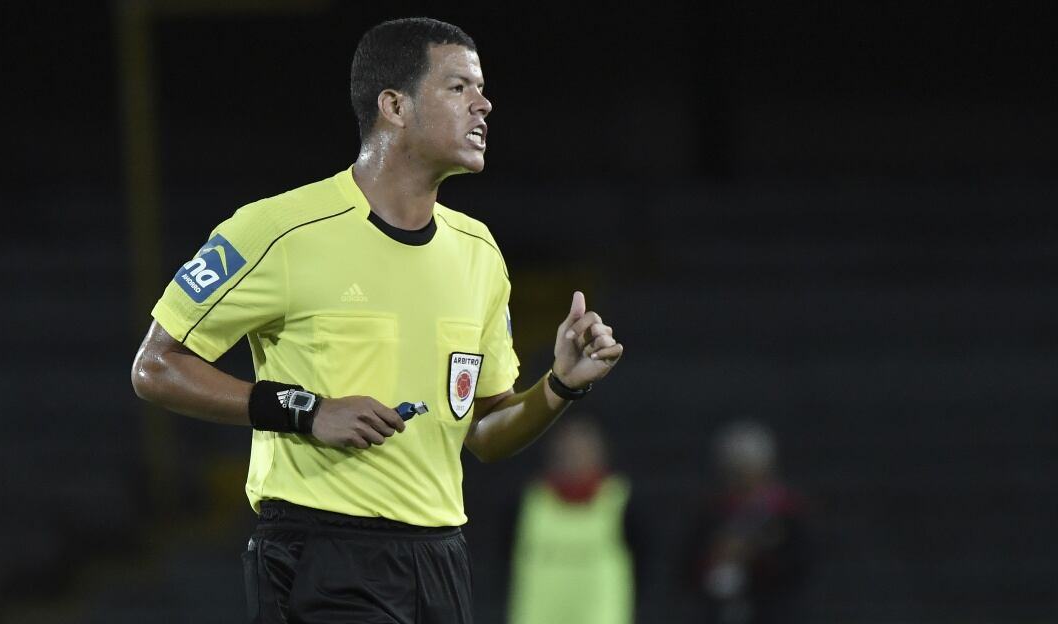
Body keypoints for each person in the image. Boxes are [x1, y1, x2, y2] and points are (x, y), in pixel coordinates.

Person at [130, 17, 623, 624]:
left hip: (441, 559)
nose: (484, 104)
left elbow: (485, 433)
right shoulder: (279, 229)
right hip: (321, 553)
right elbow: (156, 366)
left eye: (482, 88)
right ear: (394, 105)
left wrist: (560, 387)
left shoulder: (480, 253)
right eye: (458, 87)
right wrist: (306, 410)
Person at [506, 415, 642, 624]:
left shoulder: (621, 502)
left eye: (580, 450)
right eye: (567, 451)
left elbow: (643, 563)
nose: (573, 457)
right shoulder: (528, 502)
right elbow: (505, 558)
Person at [680, 420, 813, 624]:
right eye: (735, 470)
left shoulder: (786, 513)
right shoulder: (713, 513)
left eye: (747, 469)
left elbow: (799, 565)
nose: (741, 478)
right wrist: (716, 555)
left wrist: (753, 555)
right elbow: (686, 566)